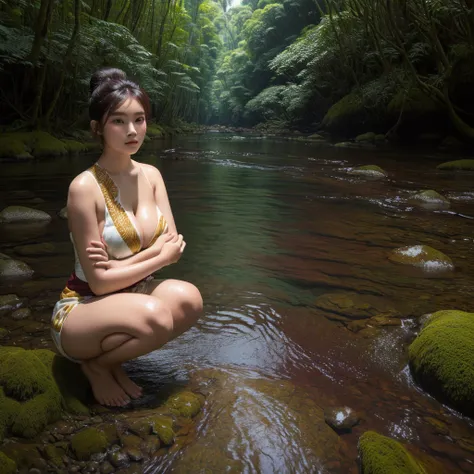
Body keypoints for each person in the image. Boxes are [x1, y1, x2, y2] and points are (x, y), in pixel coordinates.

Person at [50, 68, 203, 407]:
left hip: (134, 295)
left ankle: (106, 361)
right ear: (97, 128)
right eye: (118, 121)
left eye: (139, 119)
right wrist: (158, 257)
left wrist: (130, 263)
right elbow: (101, 284)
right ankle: (97, 368)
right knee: (157, 316)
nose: (132, 131)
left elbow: (175, 243)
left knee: (189, 299)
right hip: (82, 308)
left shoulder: (152, 175)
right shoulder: (83, 188)